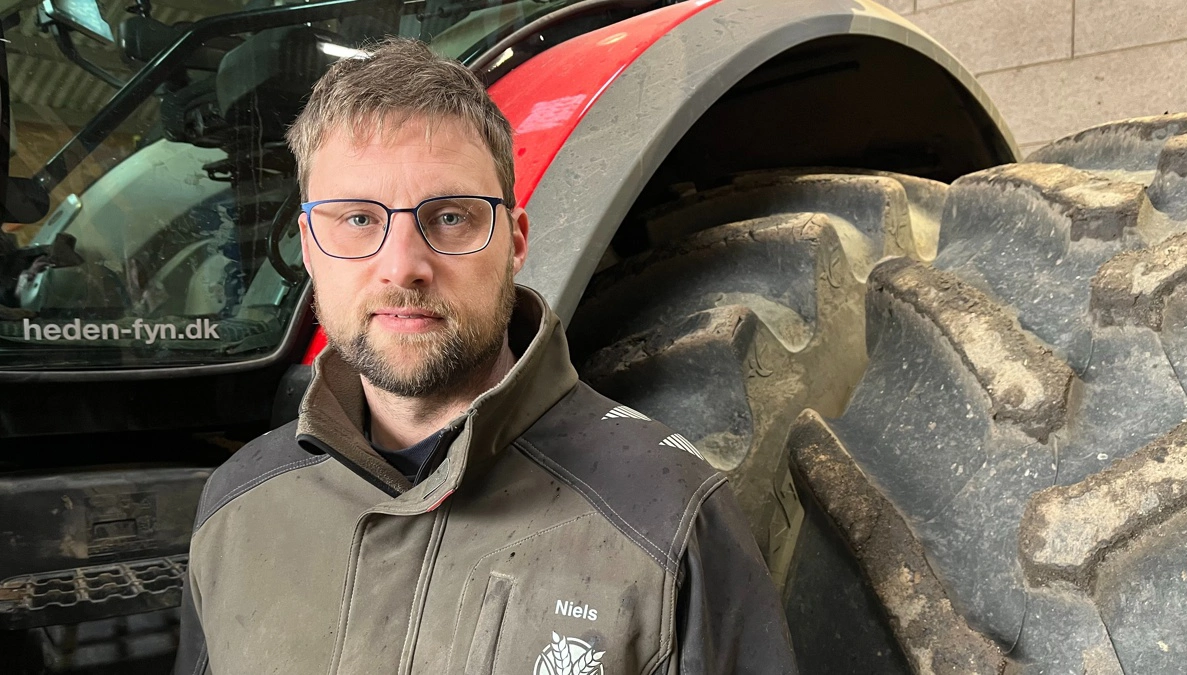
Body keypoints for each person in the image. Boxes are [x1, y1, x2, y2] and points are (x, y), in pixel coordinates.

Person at [172, 37, 796, 675]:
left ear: (516, 241)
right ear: (309, 247)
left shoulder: (669, 519)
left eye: (449, 218)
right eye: (357, 220)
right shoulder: (237, 506)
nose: (403, 267)